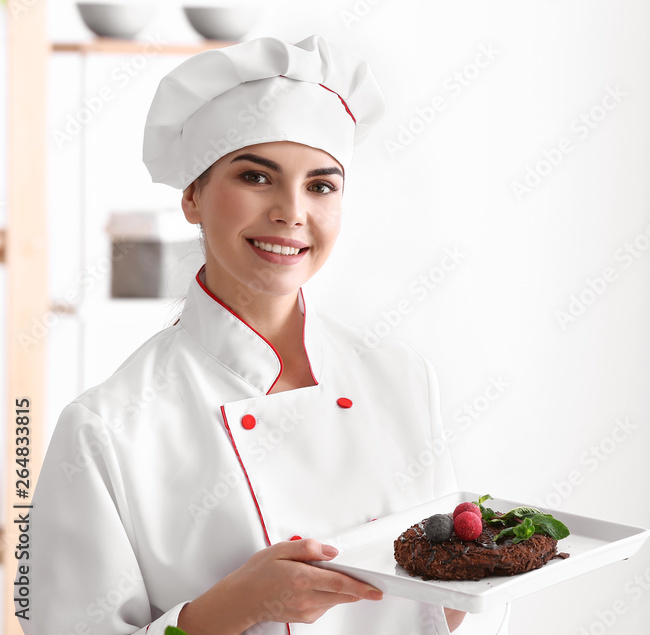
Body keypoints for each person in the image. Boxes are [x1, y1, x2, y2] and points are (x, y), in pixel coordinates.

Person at [20, 35, 510, 634]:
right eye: (256, 176)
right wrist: (231, 610)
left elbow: (455, 603)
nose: (291, 211)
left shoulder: (400, 376)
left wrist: (483, 587)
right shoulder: (107, 428)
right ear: (193, 197)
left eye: (321, 185)